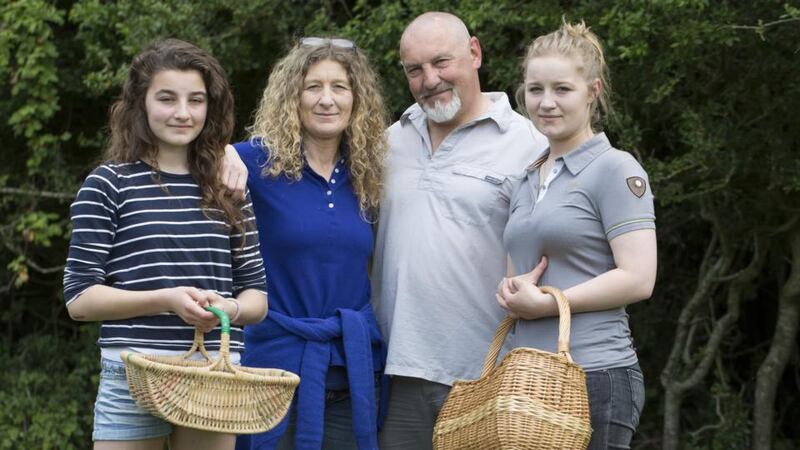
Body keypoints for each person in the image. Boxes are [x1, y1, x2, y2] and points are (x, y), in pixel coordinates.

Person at [63, 39, 268, 450]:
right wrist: (165, 299)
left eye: (196, 99)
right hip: (131, 373)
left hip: (211, 371)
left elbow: (257, 297)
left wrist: (230, 309)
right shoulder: (108, 185)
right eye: (167, 98)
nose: (182, 112)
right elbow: (79, 300)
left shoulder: (228, 187)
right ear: (140, 103)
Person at [370, 12, 548, 449]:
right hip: (395, 374)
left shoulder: (530, 143)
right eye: (415, 70)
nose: (429, 79)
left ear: (474, 53)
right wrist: (232, 155)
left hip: (487, 376)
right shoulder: (385, 143)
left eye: (441, 62)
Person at [496, 21, 657, 450]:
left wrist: (548, 303)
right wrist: (513, 290)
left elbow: (639, 279)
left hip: (595, 375)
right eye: (535, 89)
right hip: (526, 377)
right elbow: (522, 278)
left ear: (593, 91)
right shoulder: (525, 179)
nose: (546, 103)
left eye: (562, 89)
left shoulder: (617, 170)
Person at [228, 37, 389, 450]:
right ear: (291, 97)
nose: (326, 99)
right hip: (271, 374)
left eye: (340, 87)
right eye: (312, 86)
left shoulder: (367, 173)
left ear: (357, 99)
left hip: (350, 374)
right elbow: (187, 159)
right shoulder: (254, 163)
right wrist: (220, 152)